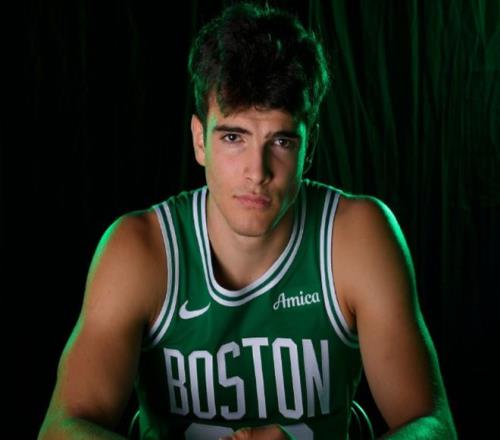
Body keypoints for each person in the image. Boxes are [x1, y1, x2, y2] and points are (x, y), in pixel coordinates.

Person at [38, 2, 457, 439]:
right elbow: (63, 428)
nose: (257, 171)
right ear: (200, 141)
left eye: (281, 141)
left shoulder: (356, 235)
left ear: (309, 148)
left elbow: (433, 425)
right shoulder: (142, 248)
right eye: (234, 137)